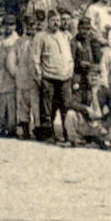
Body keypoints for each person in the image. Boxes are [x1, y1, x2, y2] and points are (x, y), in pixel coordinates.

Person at [36, 10, 76, 144]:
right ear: (48, 21)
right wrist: (39, 76)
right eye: (53, 20)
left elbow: (69, 56)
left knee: (66, 106)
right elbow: (35, 59)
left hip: (65, 77)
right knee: (48, 108)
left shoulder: (65, 36)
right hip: (48, 76)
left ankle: (67, 134)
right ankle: (48, 134)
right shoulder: (41, 36)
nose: (56, 23)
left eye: (58, 20)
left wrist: (70, 71)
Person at [12, 12, 43, 139]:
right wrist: (16, 73)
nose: (31, 27)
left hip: (36, 78)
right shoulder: (20, 41)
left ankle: (38, 128)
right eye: (28, 25)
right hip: (23, 76)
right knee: (23, 103)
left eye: (33, 24)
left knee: (36, 104)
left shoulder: (40, 39)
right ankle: (24, 126)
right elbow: (12, 59)